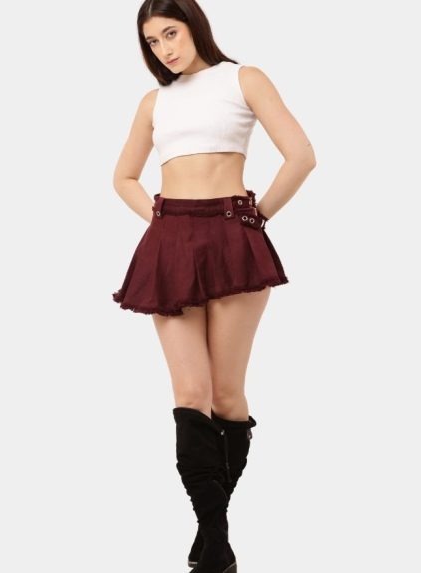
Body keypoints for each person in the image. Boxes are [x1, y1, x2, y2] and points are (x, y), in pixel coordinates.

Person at [112, 1, 316, 571]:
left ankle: (210, 535)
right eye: (152, 42)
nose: (164, 49)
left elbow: (301, 156)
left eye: (170, 33)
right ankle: (217, 542)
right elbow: (123, 176)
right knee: (189, 394)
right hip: (170, 241)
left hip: (232, 236)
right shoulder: (153, 101)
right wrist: (161, 221)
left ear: (194, 26)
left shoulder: (243, 79)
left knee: (226, 397)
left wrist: (258, 216)